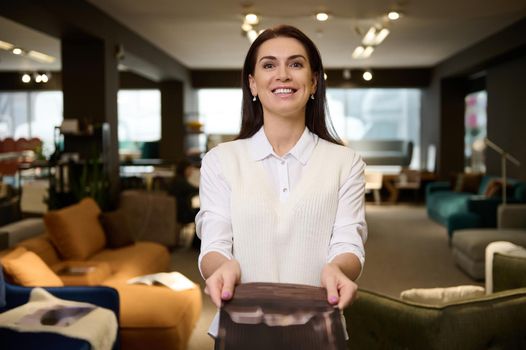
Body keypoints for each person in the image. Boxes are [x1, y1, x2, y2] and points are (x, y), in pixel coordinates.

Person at [196, 24, 367, 341]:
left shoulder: (346, 163)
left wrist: (338, 270)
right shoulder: (220, 161)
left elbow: (348, 242)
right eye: (269, 64)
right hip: (240, 326)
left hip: (318, 326)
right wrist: (222, 268)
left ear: (313, 81)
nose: (283, 75)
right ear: (253, 83)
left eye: (296, 64)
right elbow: (214, 243)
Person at [169, 159, 199, 225]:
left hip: (176, 212)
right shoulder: (180, 182)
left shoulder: (176, 180)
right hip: (182, 214)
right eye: (190, 169)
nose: (191, 171)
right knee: (200, 214)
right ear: (185, 169)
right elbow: (195, 190)